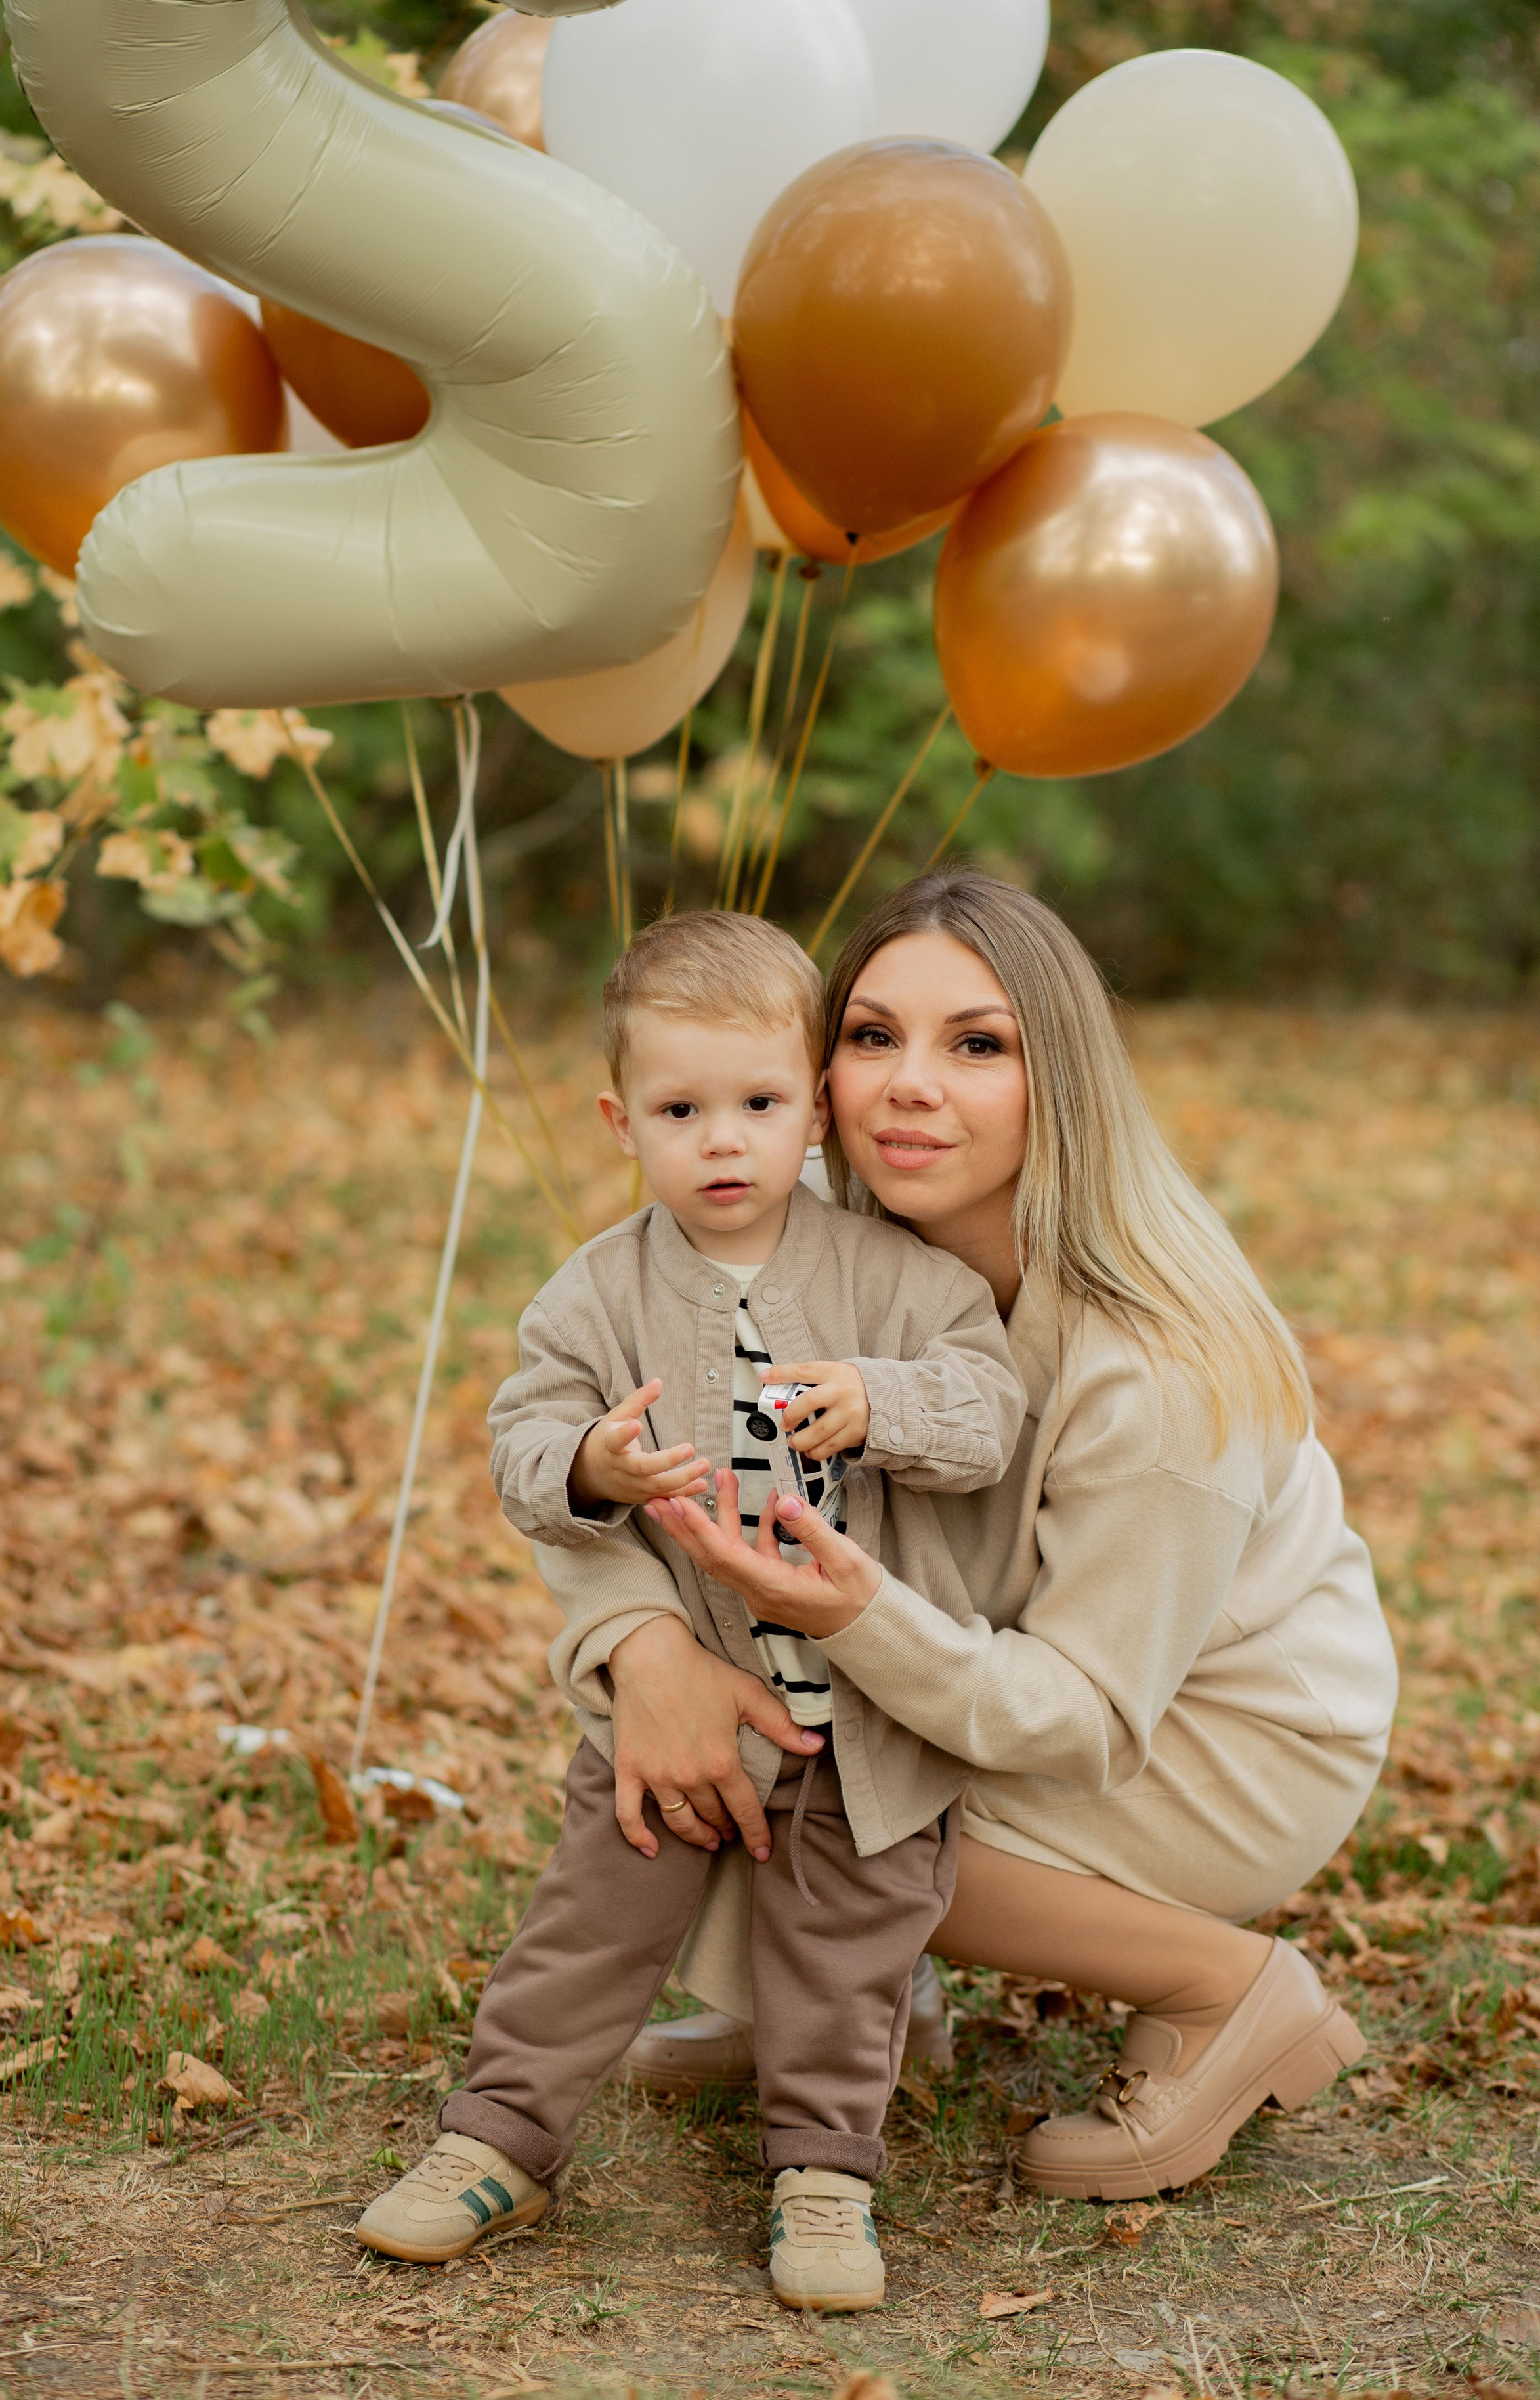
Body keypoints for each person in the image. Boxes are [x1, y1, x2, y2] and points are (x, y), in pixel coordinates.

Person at [569, 870, 1397, 2200]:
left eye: (976, 1045)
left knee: (823, 1797)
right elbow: (598, 1444)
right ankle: (853, 1994)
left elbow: (1082, 1712)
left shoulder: (1153, 1371)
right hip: (986, 1643)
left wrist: (850, 1620)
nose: (908, 1084)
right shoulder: (790, 1216)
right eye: (870, 1035)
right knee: (695, 1728)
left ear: (1054, 1080)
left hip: (1211, 1724)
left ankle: (1228, 1992)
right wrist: (638, 1640)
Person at [356, 909, 1027, 2305]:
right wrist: (589, 1461)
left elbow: (987, 1416)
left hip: (864, 1717)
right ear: (622, 1119)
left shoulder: (901, 1282)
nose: (722, 1141)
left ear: (816, 1115)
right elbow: (520, 1434)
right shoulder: (596, 1289)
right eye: (681, 1109)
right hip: (688, 1708)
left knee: (847, 1951)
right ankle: (502, 2134)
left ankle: (826, 2179)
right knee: (589, 1925)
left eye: (760, 1104)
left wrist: (879, 1400)